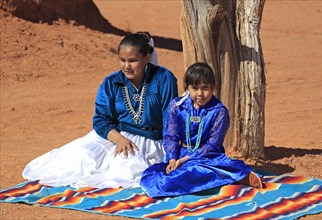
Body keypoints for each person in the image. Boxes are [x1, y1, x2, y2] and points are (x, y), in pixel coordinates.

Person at [22, 32, 178, 189]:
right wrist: (119, 139)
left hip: (150, 141)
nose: (126, 66)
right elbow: (101, 119)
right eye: (122, 60)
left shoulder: (164, 78)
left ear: (146, 58)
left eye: (132, 61)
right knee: (82, 158)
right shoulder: (111, 82)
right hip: (116, 135)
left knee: (126, 170)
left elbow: (170, 121)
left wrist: (171, 155)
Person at [140, 62, 263, 198]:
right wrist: (172, 159)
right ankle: (228, 177)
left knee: (190, 171)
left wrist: (185, 160)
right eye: (194, 88)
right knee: (153, 175)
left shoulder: (219, 111)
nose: (200, 94)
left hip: (208, 156)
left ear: (213, 87)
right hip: (179, 155)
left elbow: (213, 145)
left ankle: (238, 176)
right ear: (187, 87)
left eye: (205, 88)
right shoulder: (177, 106)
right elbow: (171, 136)